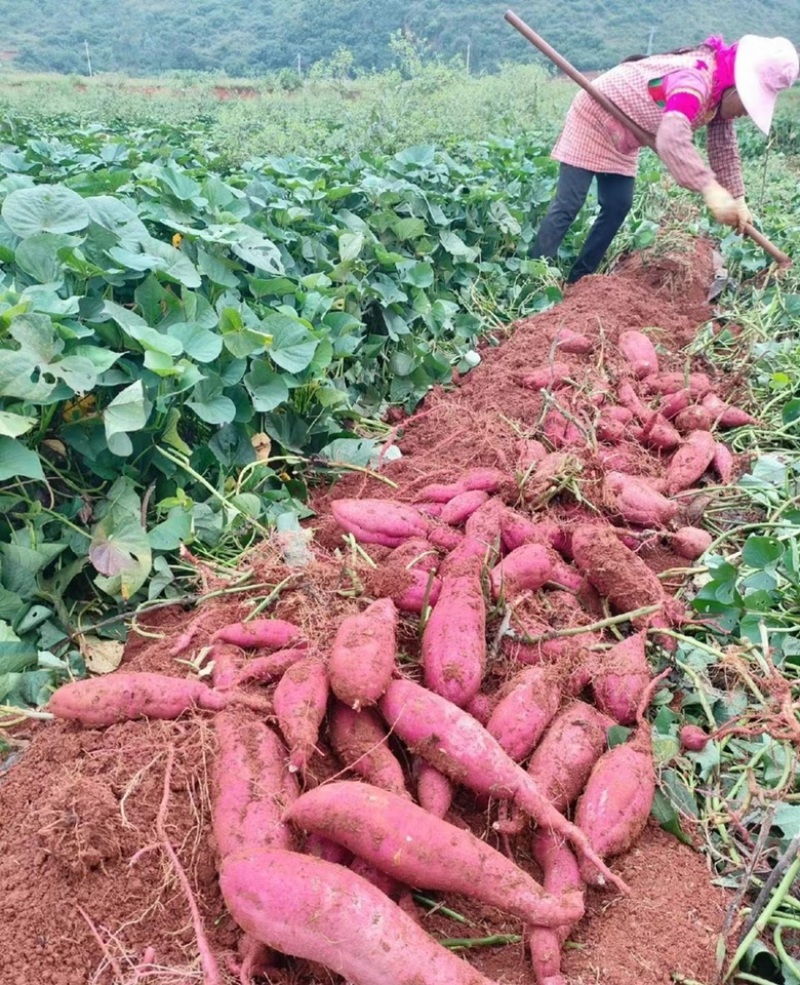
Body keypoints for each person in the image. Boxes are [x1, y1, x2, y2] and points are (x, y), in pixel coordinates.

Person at [531, 35, 799, 283]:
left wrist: (738, 199)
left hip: (626, 134)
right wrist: (709, 188)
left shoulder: (719, 96)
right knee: (570, 201)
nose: (745, 114)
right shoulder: (695, 79)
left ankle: (580, 279)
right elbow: (671, 138)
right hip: (594, 116)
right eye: (746, 105)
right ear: (735, 88)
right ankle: (536, 274)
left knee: (617, 205)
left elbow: (724, 148)